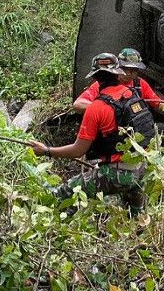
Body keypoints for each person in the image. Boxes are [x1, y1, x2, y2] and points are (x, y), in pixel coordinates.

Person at [30, 53, 154, 216]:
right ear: (118, 73)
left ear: (95, 78)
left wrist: (46, 150)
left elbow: (77, 151)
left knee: (63, 193)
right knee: (136, 218)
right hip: (141, 172)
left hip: (117, 175)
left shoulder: (96, 108)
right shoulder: (133, 96)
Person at [73, 48, 163, 113]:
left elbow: (158, 105)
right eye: (126, 68)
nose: (129, 73)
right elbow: (78, 105)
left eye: (134, 70)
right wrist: (107, 108)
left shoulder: (139, 84)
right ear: (118, 67)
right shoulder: (103, 84)